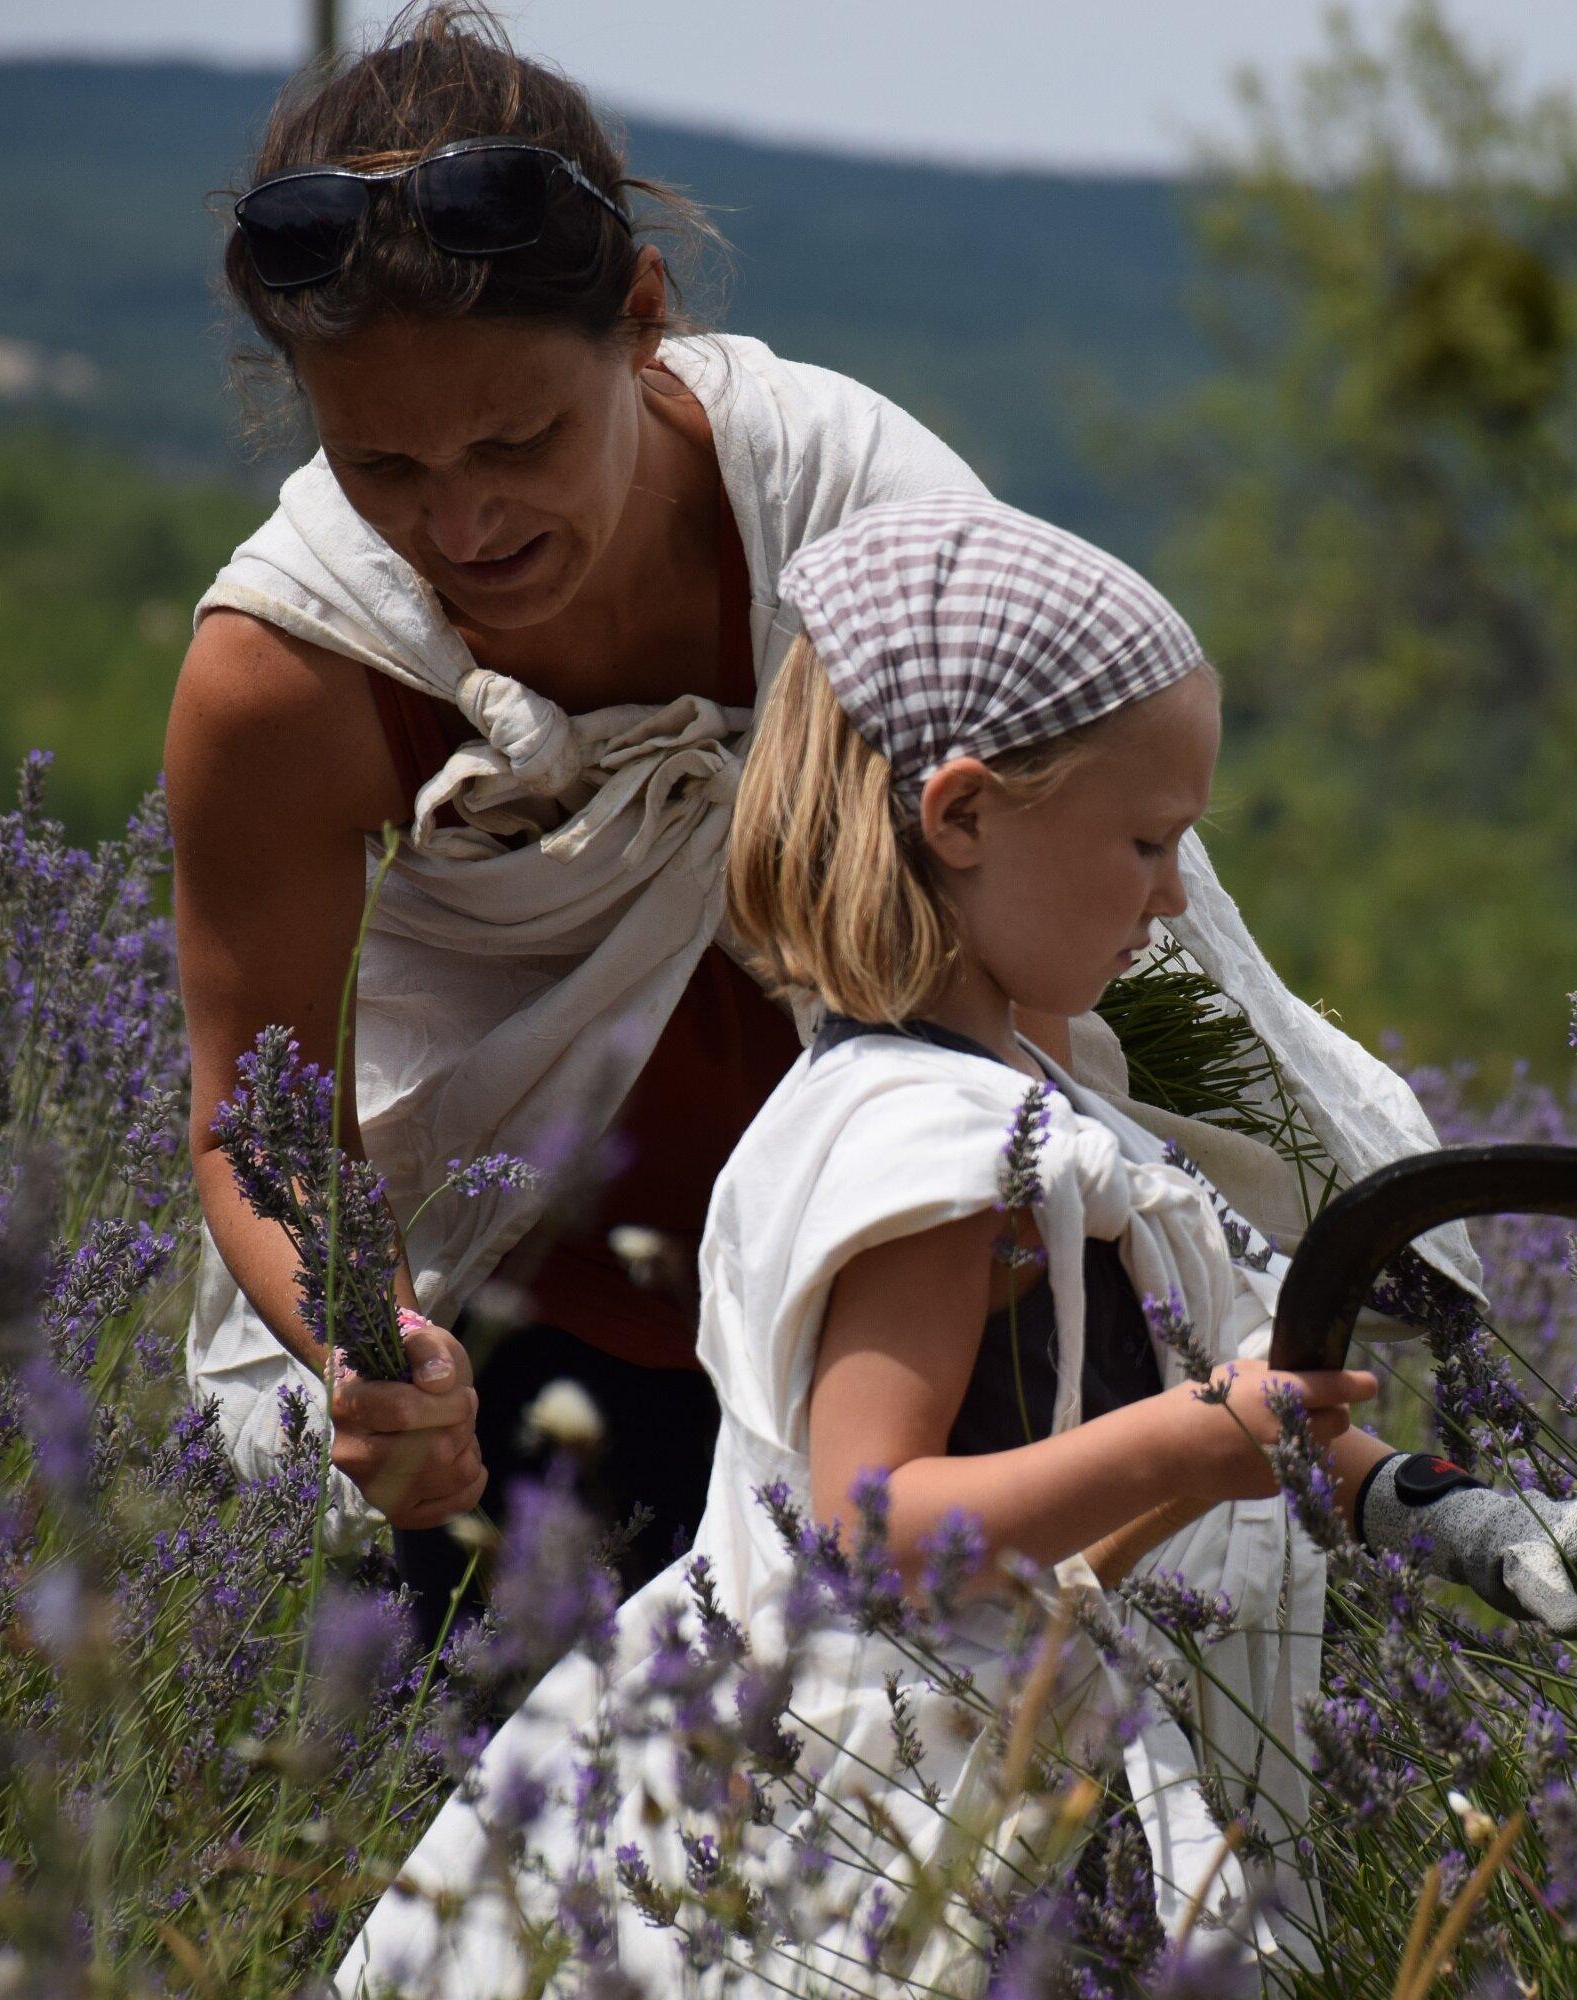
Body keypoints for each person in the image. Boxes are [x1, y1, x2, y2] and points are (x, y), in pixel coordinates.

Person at [334, 493, 1577, 1996]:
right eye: (1148, 841)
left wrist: (1458, 1517)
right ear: (963, 815)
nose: (1174, 894)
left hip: (989, 1749)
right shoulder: (931, 1145)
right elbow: (869, 1522)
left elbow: (1218, 1395)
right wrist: (1183, 1446)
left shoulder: (1018, 1105)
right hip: (868, 1805)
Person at [168, 2, 1493, 1644]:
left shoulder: (851, 507)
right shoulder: (287, 672)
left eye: (519, 441)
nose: (463, 520)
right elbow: (264, 1119)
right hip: (518, 1342)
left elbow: (1115, 918)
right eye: (382, 466)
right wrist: (374, 1344)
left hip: (932, 1322)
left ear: (642, 324)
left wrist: (1295, 1273)